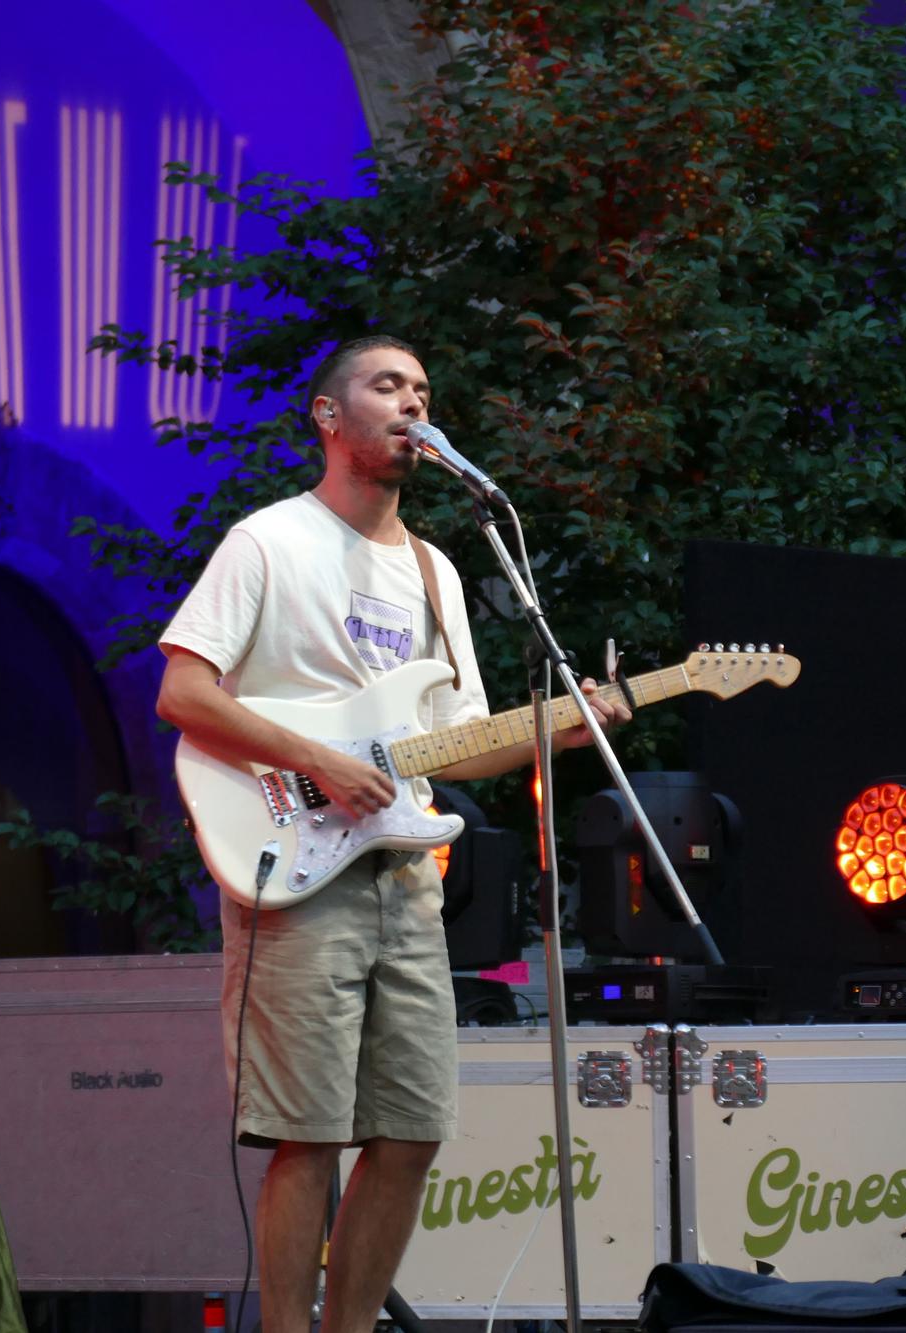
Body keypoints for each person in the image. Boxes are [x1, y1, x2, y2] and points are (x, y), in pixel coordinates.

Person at [156, 335, 629, 1331]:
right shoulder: (267, 542)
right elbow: (182, 691)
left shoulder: (435, 571)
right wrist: (318, 759)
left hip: (405, 880)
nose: (411, 401)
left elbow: (448, 746)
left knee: (410, 1131)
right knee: (308, 1136)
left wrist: (570, 724)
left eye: (422, 387)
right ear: (330, 416)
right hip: (293, 865)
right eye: (386, 385)